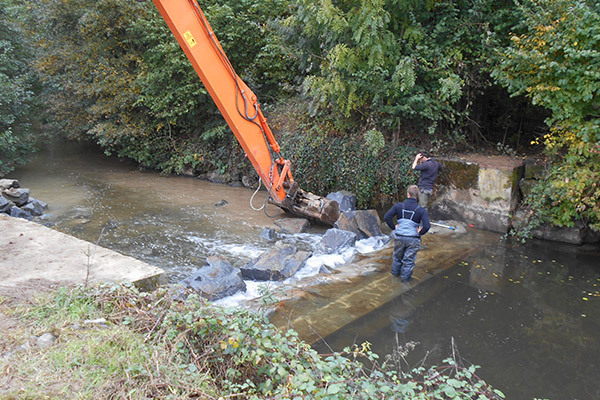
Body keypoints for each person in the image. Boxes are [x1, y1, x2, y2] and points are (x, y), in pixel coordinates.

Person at [384, 185, 430, 282]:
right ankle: (405, 282)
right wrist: (420, 232)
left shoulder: (398, 206)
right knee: (408, 262)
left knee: (396, 258)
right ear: (417, 196)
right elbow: (427, 226)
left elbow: (387, 217)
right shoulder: (421, 210)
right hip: (413, 239)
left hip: (399, 237)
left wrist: (394, 227)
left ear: (407, 194)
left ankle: (394, 278)